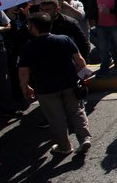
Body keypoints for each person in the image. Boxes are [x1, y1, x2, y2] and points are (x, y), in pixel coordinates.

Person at [17, 13, 91, 156]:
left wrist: (24, 87)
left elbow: (23, 72)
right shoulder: (64, 39)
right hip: (69, 84)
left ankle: (65, 146)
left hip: (46, 89)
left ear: (34, 28)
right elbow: (79, 60)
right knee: (77, 111)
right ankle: (84, 138)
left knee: (56, 118)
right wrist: (81, 76)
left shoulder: (28, 47)